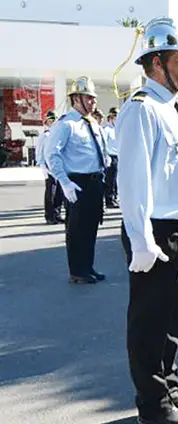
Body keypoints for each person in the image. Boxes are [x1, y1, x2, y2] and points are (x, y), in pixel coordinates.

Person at [116, 16, 178, 424]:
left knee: (176, 318)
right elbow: (133, 182)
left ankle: (168, 390)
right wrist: (140, 239)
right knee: (150, 320)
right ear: (157, 63)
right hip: (157, 232)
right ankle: (151, 404)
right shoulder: (142, 110)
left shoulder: (175, 110)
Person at [46, 75, 109, 284]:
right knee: (76, 230)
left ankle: (88, 267)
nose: (92, 102)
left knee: (91, 227)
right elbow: (51, 155)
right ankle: (77, 271)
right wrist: (64, 182)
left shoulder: (91, 123)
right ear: (76, 99)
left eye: (93, 98)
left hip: (94, 182)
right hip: (77, 182)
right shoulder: (66, 124)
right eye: (88, 98)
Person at [37, 111, 64, 224]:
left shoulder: (57, 134)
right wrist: (42, 165)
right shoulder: (45, 135)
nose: (52, 123)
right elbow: (39, 152)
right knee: (50, 192)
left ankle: (57, 213)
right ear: (46, 122)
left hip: (58, 165)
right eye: (50, 121)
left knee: (59, 191)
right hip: (48, 166)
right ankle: (49, 215)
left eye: (54, 120)